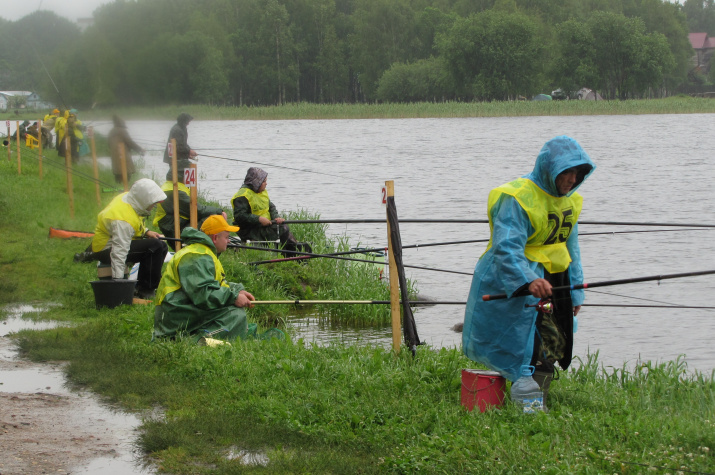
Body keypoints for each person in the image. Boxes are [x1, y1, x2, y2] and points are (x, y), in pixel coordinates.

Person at [462, 135, 595, 410]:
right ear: (549, 169)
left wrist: (576, 292)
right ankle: (525, 400)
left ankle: (538, 396)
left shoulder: (570, 201)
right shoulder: (517, 197)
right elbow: (506, 247)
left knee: (553, 338)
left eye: (577, 173)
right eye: (566, 172)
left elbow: (572, 247)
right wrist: (528, 279)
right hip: (513, 279)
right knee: (523, 339)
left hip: (555, 281)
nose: (571, 179)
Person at [153, 215, 256, 342]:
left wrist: (237, 290)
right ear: (215, 238)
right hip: (174, 312)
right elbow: (202, 294)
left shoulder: (204, 252)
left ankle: (201, 336)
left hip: (181, 306)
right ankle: (194, 341)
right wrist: (233, 297)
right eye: (226, 237)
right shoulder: (197, 256)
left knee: (235, 312)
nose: (228, 241)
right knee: (235, 315)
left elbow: (215, 284)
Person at [78, 178, 169, 299]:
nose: (153, 206)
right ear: (143, 200)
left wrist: (146, 232)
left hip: (111, 242)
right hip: (106, 250)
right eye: (152, 204)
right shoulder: (123, 222)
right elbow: (119, 252)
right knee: (155, 246)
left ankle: (151, 285)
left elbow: (135, 220)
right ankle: (145, 289)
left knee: (162, 245)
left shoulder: (129, 199)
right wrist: (119, 282)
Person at [231, 167, 308, 255]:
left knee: (282, 226)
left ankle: (292, 250)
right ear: (256, 182)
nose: (266, 184)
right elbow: (240, 216)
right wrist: (258, 219)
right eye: (264, 181)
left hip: (263, 225)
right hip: (248, 229)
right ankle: (289, 252)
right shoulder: (242, 196)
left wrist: (276, 218)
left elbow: (271, 207)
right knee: (283, 229)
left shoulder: (261, 191)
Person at [153, 169, 226, 238]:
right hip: (174, 228)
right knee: (214, 219)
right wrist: (218, 211)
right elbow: (196, 210)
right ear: (182, 176)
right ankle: (213, 244)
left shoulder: (172, 186)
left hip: (176, 224)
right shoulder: (173, 190)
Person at [108, 114, 145, 183]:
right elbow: (130, 142)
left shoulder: (111, 131)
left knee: (118, 176)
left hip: (115, 158)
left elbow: (109, 144)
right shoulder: (122, 131)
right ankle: (125, 190)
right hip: (123, 157)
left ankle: (119, 189)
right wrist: (140, 149)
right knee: (126, 174)